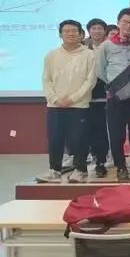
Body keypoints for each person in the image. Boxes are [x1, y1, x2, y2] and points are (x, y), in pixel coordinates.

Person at [39, 20, 97, 184]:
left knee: (79, 138)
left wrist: (73, 99)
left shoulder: (89, 55)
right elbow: (46, 79)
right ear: (60, 35)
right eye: (66, 31)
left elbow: (90, 81)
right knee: (55, 138)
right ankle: (55, 170)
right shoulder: (51, 55)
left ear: (81, 34)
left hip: (79, 105)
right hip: (55, 105)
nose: (70, 34)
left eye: (74, 31)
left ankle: (80, 170)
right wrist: (55, 99)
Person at [97, 8, 130, 182]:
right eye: (125, 22)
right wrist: (114, 87)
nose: (128, 25)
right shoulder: (106, 46)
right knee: (116, 133)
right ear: (118, 23)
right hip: (115, 98)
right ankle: (121, 167)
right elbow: (100, 70)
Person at [85, 18, 109, 178]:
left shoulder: (111, 47)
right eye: (94, 28)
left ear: (105, 31)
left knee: (103, 131)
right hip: (86, 96)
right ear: (89, 31)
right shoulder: (82, 48)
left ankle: (102, 161)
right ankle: (93, 159)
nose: (97, 31)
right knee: (90, 131)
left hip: (106, 95)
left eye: (100, 28)